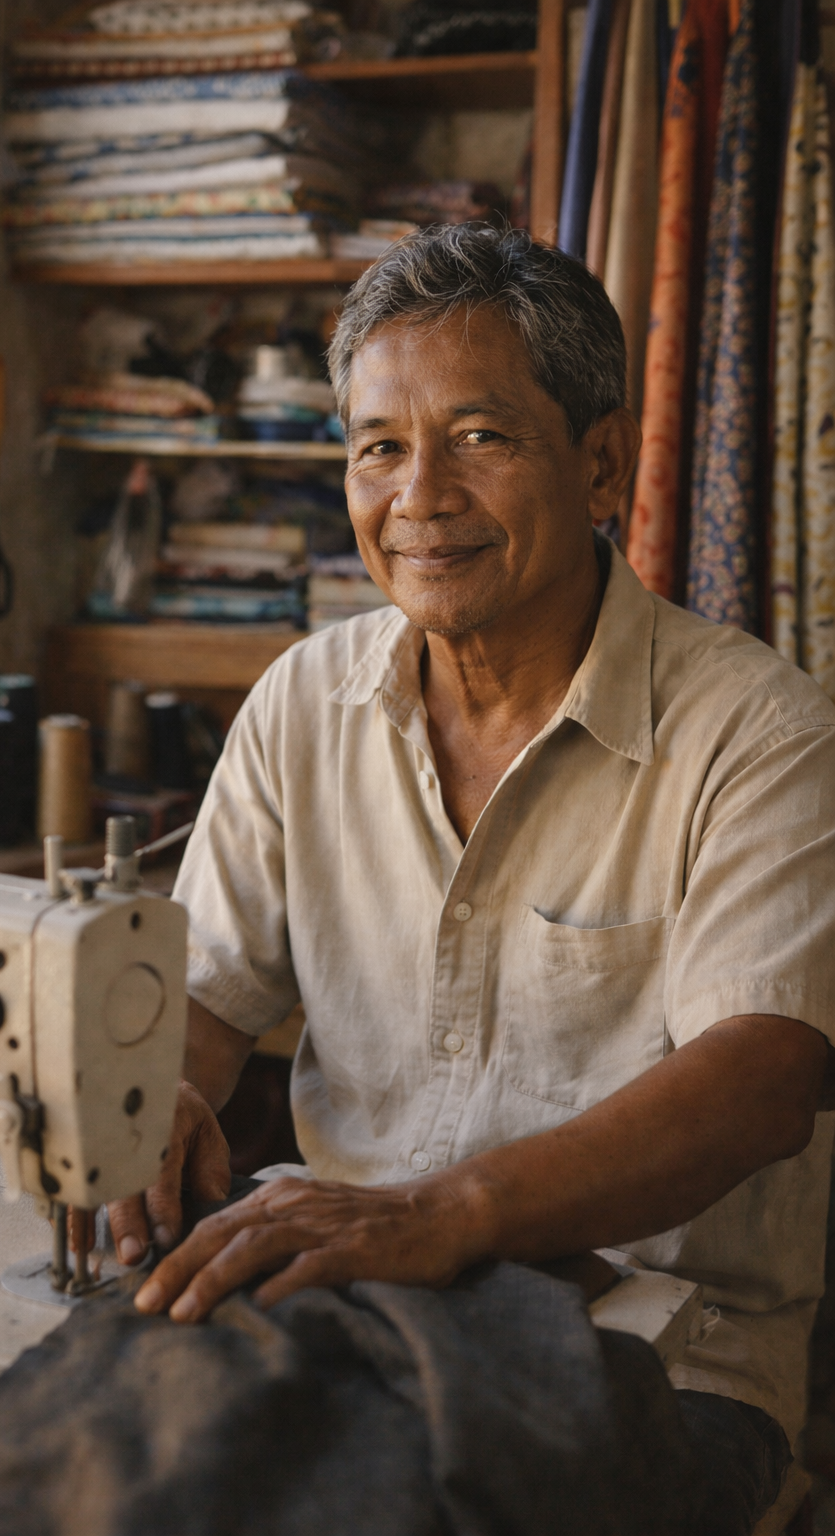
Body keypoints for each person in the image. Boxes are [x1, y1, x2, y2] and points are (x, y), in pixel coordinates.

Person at [101, 226, 835, 1529]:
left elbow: (760, 1083)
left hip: (668, 1361)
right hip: (352, 1310)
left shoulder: (758, 735)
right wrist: (149, 1114)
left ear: (601, 463)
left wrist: (441, 1215)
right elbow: (195, 1011)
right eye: (379, 445)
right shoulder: (301, 708)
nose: (417, 495)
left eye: (480, 436)